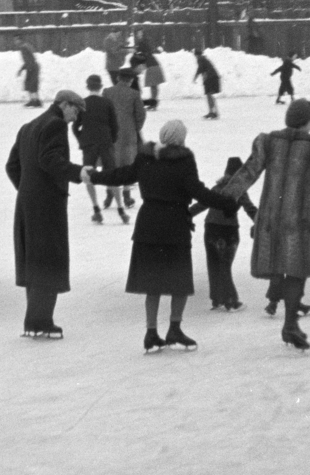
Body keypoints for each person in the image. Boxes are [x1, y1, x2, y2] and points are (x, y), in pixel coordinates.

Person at [220, 98, 310, 351]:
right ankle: (290, 323)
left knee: (284, 266)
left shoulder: (269, 142)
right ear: (308, 121)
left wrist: (226, 198)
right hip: (302, 220)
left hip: (273, 217)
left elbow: (248, 172)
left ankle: (290, 322)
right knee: (296, 270)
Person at [93, 120, 234, 352]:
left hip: (147, 225)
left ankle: (151, 333)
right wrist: (226, 203)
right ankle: (174, 329)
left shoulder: (145, 157)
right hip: (174, 226)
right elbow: (197, 191)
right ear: (180, 139)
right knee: (179, 282)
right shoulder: (184, 160)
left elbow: (122, 175)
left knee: (152, 283)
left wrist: (94, 176)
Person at [6, 90, 91, 339]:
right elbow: (49, 160)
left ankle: (34, 320)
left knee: (33, 260)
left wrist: (27, 189)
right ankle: (41, 322)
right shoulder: (55, 125)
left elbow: (12, 165)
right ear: (64, 105)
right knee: (48, 260)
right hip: (47, 206)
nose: (75, 118)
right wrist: (79, 172)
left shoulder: (28, 126)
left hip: (26, 204)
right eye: (75, 110)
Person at [193, 156, 257, 312]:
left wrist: (184, 215)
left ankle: (217, 300)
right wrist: (261, 222)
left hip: (211, 229)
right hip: (228, 231)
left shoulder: (216, 189)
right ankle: (231, 301)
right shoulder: (238, 190)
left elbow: (201, 205)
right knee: (225, 265)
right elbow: (250, 209)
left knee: (214, 263)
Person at [73, 74, 118, 223]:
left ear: (88, 87)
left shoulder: (83, 104)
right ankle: (120, 209)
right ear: (100, 87)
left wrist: (82, 138)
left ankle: (96, 209)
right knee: (110, 172)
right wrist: (112, 139)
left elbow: (75, 126)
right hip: (105, 142)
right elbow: (114, 125)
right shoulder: (107, 102)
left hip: (89, 145)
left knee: (89, 174)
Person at [102, 68, 145, 220]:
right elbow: (140, 115)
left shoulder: (107, 92)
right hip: (128, 134)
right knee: (127, 165)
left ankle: (109, 194)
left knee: (111, 164)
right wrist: (135, 128)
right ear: (131, 80)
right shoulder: (134, 94)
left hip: (111, 135)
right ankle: (126, 195)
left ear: (118, 78)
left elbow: (103, 113)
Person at [132, 34, 165, 110]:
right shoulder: (148, 53)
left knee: (153, 86)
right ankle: (154, 102)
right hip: (156, 66)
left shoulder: (143, 54)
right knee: (154, 86)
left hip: (152, 68)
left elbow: (140, 62)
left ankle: (154, 103)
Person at [193, 45, 221, 120]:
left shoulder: (200, 59)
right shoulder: (204, 59)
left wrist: (195, 77)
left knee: (209, 95)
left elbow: (200, 68)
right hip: (212, 77)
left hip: (210, 78)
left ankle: (213, 112)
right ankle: (213, 112)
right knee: (209, 95)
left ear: (196, 55)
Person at [17, 38, 42, 107]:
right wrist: (22, 69)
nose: (16, 42)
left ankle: (35, 101)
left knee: (31, 84)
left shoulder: (24, 48)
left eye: (17, 39)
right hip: (32, 67)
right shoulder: (25, 46)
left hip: (32, 68)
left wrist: (23, 69)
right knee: (31, 84)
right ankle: (35, 100)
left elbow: (29, 60)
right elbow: (29, 60)